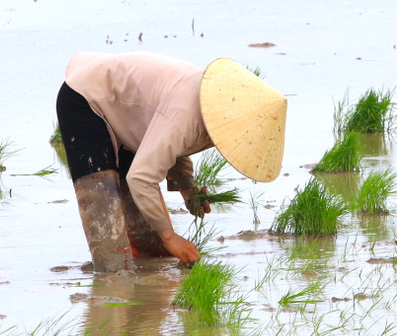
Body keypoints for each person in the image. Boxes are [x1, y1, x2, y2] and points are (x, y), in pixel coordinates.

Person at [56, 53, 287, 270]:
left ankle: (146, 301)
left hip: (129, 117)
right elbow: (141, 178)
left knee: (151, 248)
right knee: (111, 247)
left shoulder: (212, 112)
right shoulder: (186, 111)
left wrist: (189, 192)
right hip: (86, 100)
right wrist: (169, 236)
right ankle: (110, 293)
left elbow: (175, 145)